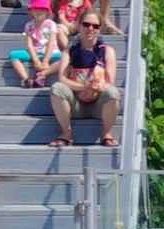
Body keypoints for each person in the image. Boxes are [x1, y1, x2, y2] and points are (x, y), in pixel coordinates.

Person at [48, 10, 118, 147]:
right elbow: (62, 78)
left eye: (95, 26)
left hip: (98, 104)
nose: (90, 28)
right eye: (86, 24)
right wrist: (83, 87)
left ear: (100, 29)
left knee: (113, 92)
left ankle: (106, 134)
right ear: (79, 26)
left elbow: (110, 81)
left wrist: (97, 86)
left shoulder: (107, 51)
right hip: (76, 103)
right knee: (57, 88)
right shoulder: (70, 51)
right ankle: (66, 134)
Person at [9, 0, 60, 88]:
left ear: (47, 12)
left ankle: (43, 74)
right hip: (35, 52)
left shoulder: (51, 24)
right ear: (31, 11)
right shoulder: (29, 25)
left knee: (66, 59)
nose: (38, 11)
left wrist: (45, 61)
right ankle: (26, 79)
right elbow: (29, 44)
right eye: (35, 8)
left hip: (50, 52)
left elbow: (51, 43)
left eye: (42, 9)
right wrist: (36, 61)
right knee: (13, 55)